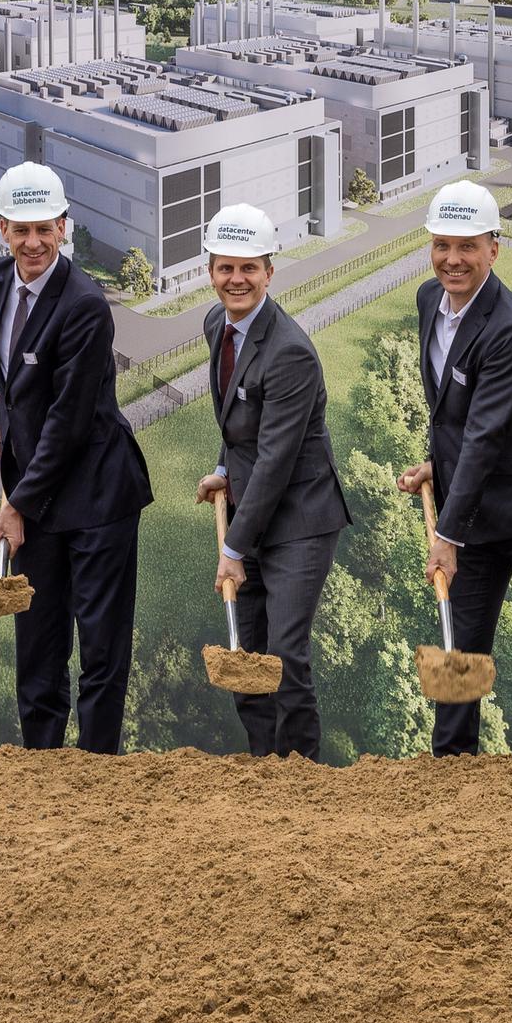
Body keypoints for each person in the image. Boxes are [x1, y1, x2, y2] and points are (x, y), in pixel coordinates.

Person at [396, 180, 512, 757]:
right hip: (474, 504)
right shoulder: (431, 300)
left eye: (468, 247)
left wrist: (447, 533)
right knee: (462, 646)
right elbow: (456, 417)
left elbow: (485, 434)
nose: (452, 259)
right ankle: (453, 764)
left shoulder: (511, 330)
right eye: (442, 245)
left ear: (494, 249)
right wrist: (438, 465)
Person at [0, 161, 151, 753]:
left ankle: (95, 786)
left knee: (100, 654)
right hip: (40, 492)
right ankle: (39, 779)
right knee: (38, 646)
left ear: (64, 227)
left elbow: (69, 422)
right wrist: (13, 451)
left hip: (99, 496)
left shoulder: (84, 305)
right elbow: (16, 388)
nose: (32, 242)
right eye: (20, 228)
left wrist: (16, 502)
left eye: (44, 229)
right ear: (1, 226)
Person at [193, 204, 350, 761]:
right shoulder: (219, 324)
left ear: (269, 272)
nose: (236, 279)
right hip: (250, 504)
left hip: (299, 520)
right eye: (225, 267)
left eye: (249, 269)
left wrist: (233, 550)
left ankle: (302, 775)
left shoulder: (290, 353)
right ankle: (263, 768)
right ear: (210, 269)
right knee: (247, 648)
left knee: (284, 654)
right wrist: (220, 468)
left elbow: (277, 459)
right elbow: (241, 427)